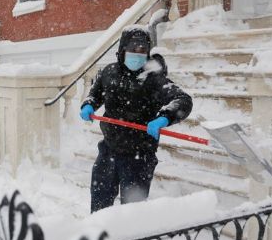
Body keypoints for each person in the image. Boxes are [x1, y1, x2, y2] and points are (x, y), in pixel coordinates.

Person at [80, 27, 192, 213]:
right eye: (133, 49)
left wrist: (164, 117)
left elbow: (183, 100)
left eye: (142, 51)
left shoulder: (154, 79)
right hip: (108, 150)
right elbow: (96, 93)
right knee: (99, 205)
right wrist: (89, 104)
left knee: (132, 213)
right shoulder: (108, 72)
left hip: (139, 157)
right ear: (122, 50)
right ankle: (99, 237)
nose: (137, 54)